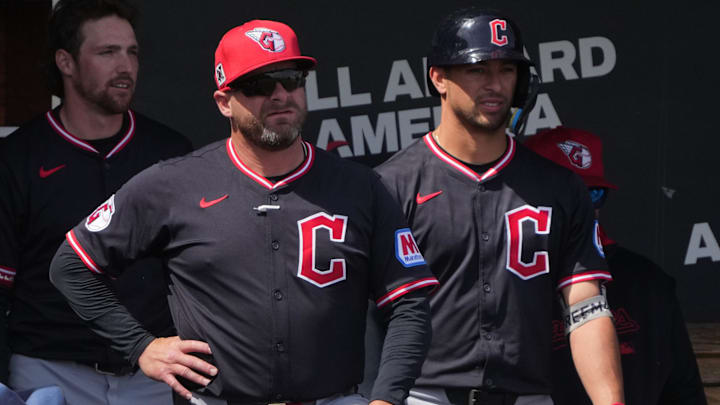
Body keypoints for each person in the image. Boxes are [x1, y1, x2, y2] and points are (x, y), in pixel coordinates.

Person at [49, 19, 439, 405]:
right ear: (224, 102)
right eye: (258, 85)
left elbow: (408, 301)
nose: (280, 94)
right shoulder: (173, 183)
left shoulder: (359, 185)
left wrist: (386, 398)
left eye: (291, 78)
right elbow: (71, 264)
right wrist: (140, 347)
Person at [373, 8, 625, 405]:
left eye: (507, 70)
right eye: (477, 70)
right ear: (439, 77)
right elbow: (365, 317)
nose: (495, 85)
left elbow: (587, 306)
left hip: (527, 395)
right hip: (424, 395)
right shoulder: (390, 185)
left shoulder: (559, 186)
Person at [0, 0, 193, 403]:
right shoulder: (17, 158)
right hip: (49, 372)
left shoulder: (170, 151)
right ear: (65, 62)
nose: (125, 66)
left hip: (151, 375)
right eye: (107, 52)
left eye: (131, 52)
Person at [524, 126, 708, 405]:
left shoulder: (649, 282)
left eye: (593, 194)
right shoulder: (507, 280)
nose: (582, 208)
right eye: (567, 194)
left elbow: (684, 394)